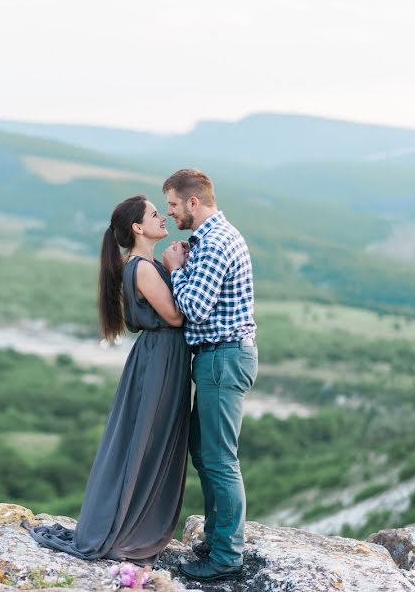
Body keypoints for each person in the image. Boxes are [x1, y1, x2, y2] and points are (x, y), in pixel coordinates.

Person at [22, 195, 191, 567]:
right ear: (137, 228)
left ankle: (132, 523)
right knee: (146, 440)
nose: (162, 217)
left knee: (150, 439)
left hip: (163, 357)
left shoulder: (143, 264)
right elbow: (176, 317)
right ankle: (126, 528)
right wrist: (175, 267)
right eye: (153, 213)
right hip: (162, 358)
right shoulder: (144, 268)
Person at [161, 169, 258, 582]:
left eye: (172, 205)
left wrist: (173, 267)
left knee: (219, 460)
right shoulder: (209, 238)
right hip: (216, 358)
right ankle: (218, 539)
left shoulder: (215, 242)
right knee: (204, 453)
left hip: (223, 358)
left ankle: (226, 557)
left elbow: (194, 309)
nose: (170, 214)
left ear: (193, 202)